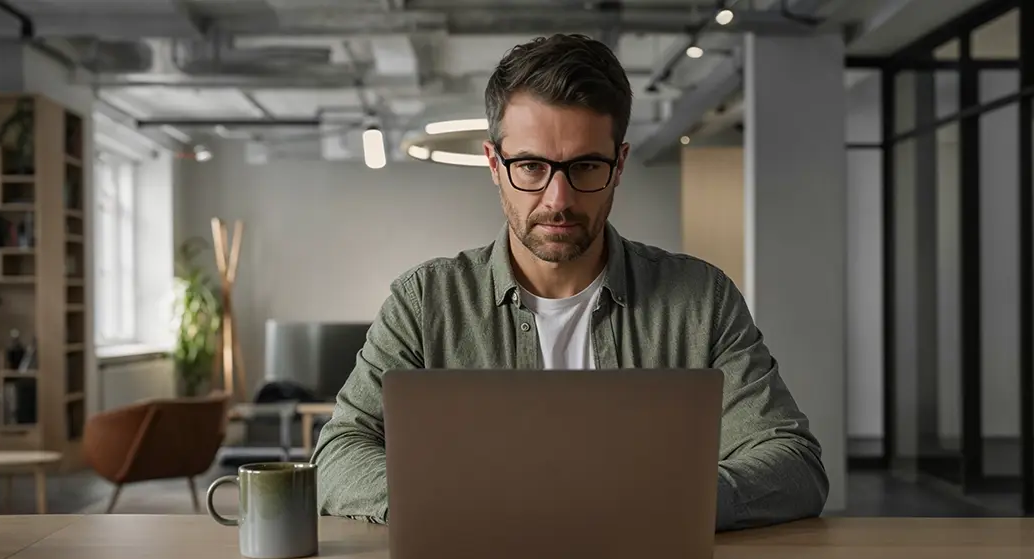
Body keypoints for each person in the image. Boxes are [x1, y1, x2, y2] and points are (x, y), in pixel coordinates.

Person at [312, 33, 828, 531]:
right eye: (531, 166)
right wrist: (455, 505)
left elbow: (793, 462)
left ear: (619, 164)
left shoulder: (701, 299)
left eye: (584, 166)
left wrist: (672, 503)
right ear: (495, 164)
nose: (558, 199)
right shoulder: (424, 303)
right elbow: (340, 453)